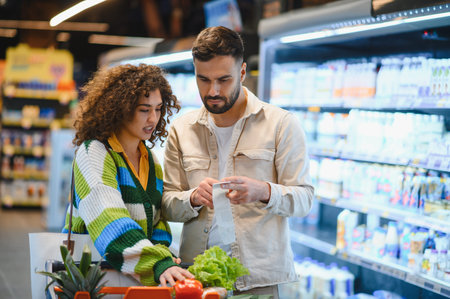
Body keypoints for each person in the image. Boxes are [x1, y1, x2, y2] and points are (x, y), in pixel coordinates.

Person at [162, 26, 314, 297]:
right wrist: (194, 198)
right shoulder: (181, 129)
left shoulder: (281, 125)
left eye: (223, 79)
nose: (213, 90)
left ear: (242, 73)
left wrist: (264, 191)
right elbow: (167, 204)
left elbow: (304, 200)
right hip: (195, 277)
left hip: (259, 279)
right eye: (204, 80)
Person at [63, 64, 194, 287]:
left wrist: (165, 256)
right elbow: (107, 219)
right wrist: (156, 262)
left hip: (133, 282)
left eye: (159, 108)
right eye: (144, 110)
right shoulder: (93, 152)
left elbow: (157, 224)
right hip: (96, 281)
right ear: (121, 108)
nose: (153, 118)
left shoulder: (151, 160)